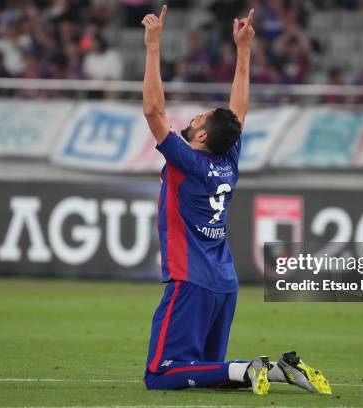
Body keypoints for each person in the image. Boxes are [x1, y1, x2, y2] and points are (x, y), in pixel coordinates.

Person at [141, 5, 331, 396]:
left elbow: (153, 109)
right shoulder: (228, 159)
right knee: (211, 372)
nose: (195, 117)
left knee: (160, 374)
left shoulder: (187, 161)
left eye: (200, 117)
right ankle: (277, 371)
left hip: (190, 281)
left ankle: (249, 369)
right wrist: (243, 51)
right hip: (224, 285)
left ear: (203, 137)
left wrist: (153, 46)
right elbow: (238, 114)